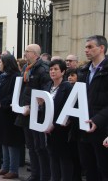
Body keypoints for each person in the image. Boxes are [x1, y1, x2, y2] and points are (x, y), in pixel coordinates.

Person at [15, 44, 51, 181]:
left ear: (35, 54)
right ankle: (35, 174)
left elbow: (45, 94)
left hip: (38, 115)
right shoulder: (26, 68)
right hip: (26, 113)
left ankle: (44, 175)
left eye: (27, 52)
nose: (25, 54)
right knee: (31, 146)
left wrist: (35, 108)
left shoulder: (43, 69)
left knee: (40, 147)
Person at [78, 35, 108, 181]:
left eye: (90, 47)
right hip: (84, 129)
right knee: (89, 168)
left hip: (103, 130)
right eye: (85, 47)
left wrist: (97, 119)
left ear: (101, 48)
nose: (86, 50)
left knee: (104, 168)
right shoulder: (84, 71)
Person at [0, 55, 24, 179]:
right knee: (3, 140)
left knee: (11, 142)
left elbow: (14, 95)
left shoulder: (15, 77)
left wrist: (3, 103)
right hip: (1, 112)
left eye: (1, 62)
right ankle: (5, 167)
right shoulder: (2, 76)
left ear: (7, 63)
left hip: (10, 113)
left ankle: (13, 169)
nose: (0, 64)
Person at [43, 59, 74, 181]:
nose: (52, 72)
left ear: (63, 71)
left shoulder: (67, 87)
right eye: (51, 69)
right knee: (52, 157)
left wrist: (55, 125)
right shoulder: (48, 86)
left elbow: (68, 109)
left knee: (64, 158)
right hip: (49, 129)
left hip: (62, 129)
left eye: (56, 69)